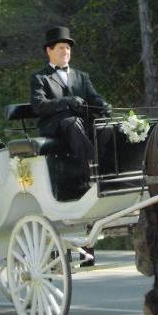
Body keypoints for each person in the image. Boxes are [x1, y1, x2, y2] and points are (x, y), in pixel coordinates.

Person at [30, 26, 111, 267]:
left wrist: (104, 106)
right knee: (73, 122)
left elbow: (94, 99)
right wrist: (66, 101)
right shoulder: (40, 78)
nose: (66, 51)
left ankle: (110, 168)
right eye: (61, 48)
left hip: (78, 129)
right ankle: (93, 169)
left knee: (107, 126)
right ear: (49, 51)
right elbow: (39, 106)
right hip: (55, 126)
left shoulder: (81, 76)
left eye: (68, 48)